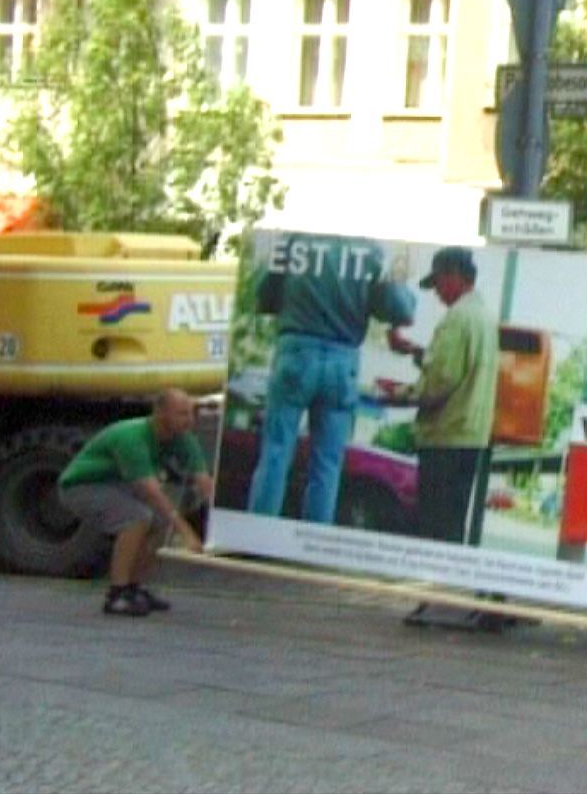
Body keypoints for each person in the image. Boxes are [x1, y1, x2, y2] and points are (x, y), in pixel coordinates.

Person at [247, 232, 415, 524]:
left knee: (275, 452)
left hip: (295, 352)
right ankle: (311, 543)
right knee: (326, 464)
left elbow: (263, 297)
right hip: (342, 361)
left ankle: (255, 535)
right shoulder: (371, 250)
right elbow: (401, 310)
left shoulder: (297, 241)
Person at [379, 246, 499, 545]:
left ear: (454, 276)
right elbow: (459, 368)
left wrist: (400, 395)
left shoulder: (457, 318)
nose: (437, 294)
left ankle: (428, 589)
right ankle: (440, 587)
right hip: (470, 436)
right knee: (451, 527)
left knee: (433, 528)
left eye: (438, 284)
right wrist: (414, 351)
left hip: (446, 438)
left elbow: (439, 382)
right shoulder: (483, 315)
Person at [58, 389, 212, 617]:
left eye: (191, 413)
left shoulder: (184, 438)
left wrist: (226, 530)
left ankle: (135, 588)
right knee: (137, 516)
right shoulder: (131, 437)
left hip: (118, 485)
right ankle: (116, 594)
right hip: (82, 486)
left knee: (160, 520)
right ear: (160, 414)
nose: (190, 420)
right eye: (182, 414)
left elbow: (204, 482)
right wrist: (186, 532)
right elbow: (151, 491)